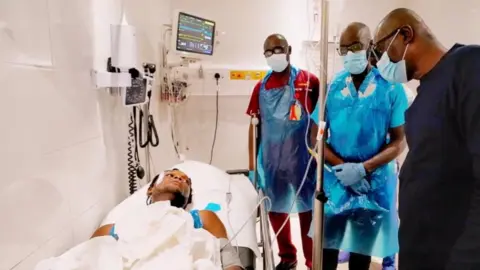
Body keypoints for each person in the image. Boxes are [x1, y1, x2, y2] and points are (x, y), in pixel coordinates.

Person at [373, 8, 480, 270]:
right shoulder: (425, 94)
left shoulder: (468, 65)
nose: (380, 62)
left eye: (383, 51)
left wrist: (465, 259)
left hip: (453, 255)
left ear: (406, 35)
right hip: (423, 251)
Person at [309, 22, 408, 270]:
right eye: (343, 48)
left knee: (361, 255)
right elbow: (316, 136)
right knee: (327, 249)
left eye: (355, 46)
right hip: (336, 183)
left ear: (369, 46)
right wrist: (344, 168)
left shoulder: (391, 88)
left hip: (371, 185)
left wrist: (363, 169)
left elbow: (400, 141)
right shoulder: (332, 88)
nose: (349, 53)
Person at [336, 43, 417, 270]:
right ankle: (348, 248)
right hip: (354, 164)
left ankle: (389, 261)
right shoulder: (344, 86)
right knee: (354, 212)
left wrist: (366, 167)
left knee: (387, 214)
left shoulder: (398, 91)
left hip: (384, 166)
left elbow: (399, 138)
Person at [246, 33, 319, 270]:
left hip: (302, 159)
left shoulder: (309, 81)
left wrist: (320, 155)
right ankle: (287, 256)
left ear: (289, 50)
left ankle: (312, 261)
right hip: (272, 160)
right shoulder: (261, 87)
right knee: (276, 209)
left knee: (308, 211)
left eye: (277, 50)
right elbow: (253, 128)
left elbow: (320, 120)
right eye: (268, 52)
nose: (273, 55)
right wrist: (252, 166)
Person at [91, 169, 244, 270]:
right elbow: (86, 259)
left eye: (186, 181)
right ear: (150, 189)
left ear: (188, 198)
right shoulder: (117, 228)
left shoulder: (202, 218)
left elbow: (230, 261)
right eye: (170, 175)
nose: (178, 178)